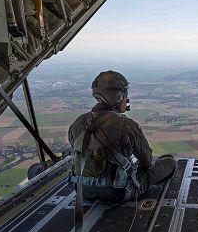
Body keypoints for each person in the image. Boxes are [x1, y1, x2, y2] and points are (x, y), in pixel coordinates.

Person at [68, 70, 176, 203]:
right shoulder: (126, 125)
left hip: (83, 191)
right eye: (125, 95)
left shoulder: (77, 123)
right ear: (119, 97)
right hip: (119, 192)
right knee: (170, 163)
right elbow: (147, 162)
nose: (126, 99)